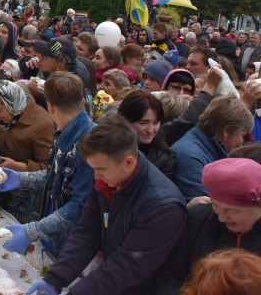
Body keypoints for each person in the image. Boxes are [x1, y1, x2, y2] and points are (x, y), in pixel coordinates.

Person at [26, 114, 186, 295]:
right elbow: (88, 231)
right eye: (93, 168)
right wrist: (55, 278)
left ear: (128, 162)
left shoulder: (163, 207)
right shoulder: (107, 180)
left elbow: (125, 267)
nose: (96, 176)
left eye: (101, 169)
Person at [0, 72, 95, 257]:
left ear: (50, 106)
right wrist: (21, 179)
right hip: (55, 230)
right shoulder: (64, 129)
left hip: (75, 244)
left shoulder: (88, 142)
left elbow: (79, 205)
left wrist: (31, 231)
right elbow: (55, 174)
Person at [155, 158, 261, 294]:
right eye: (216, 206)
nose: (221, 218)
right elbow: (169, 276)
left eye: (231, 211)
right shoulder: (196, 220)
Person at [0, 80, 55, 221]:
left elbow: (47, 168)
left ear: (12, 102)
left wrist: (18, 167)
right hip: (0, 184)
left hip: (24, 194)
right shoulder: (6, 117)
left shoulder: (42, 124)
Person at [172, 96, 252, 201]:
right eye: (243, 135)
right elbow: (205, 208)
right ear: (226, 131)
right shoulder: (190, 156)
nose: (242, 142)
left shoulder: (205, 147)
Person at [118, 90, 176, 180]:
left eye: (156, 123)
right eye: (143, 123)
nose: (151, 130)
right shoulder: (106, 146)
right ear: (125, 120)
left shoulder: (165, 157)